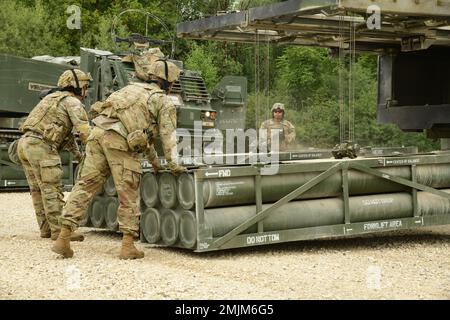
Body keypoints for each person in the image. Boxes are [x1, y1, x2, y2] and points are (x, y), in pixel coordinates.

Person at [52, 58, 187, 260]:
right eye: (174, 83)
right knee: (128, 191)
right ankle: (127, 245)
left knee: (85, 186)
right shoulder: (162, 100)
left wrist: (154, 162)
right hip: (119, 142)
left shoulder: (129, 89)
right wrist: (174, 165)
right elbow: (168, 135)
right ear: (169, 82)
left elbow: (142, 136)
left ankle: (63, 238)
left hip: (97, 134)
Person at [17, 69, 92, 241]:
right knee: (51, 189)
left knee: (37, 190)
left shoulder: (51, 98)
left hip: (25, 143)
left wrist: (79, 156)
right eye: (85, 87)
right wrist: (95, 153)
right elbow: (84, 132)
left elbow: (66, 137)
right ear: (76, 86)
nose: (86, 92)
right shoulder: (72, 102)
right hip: (42, 146)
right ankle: (59, 232)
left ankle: (46, 229)